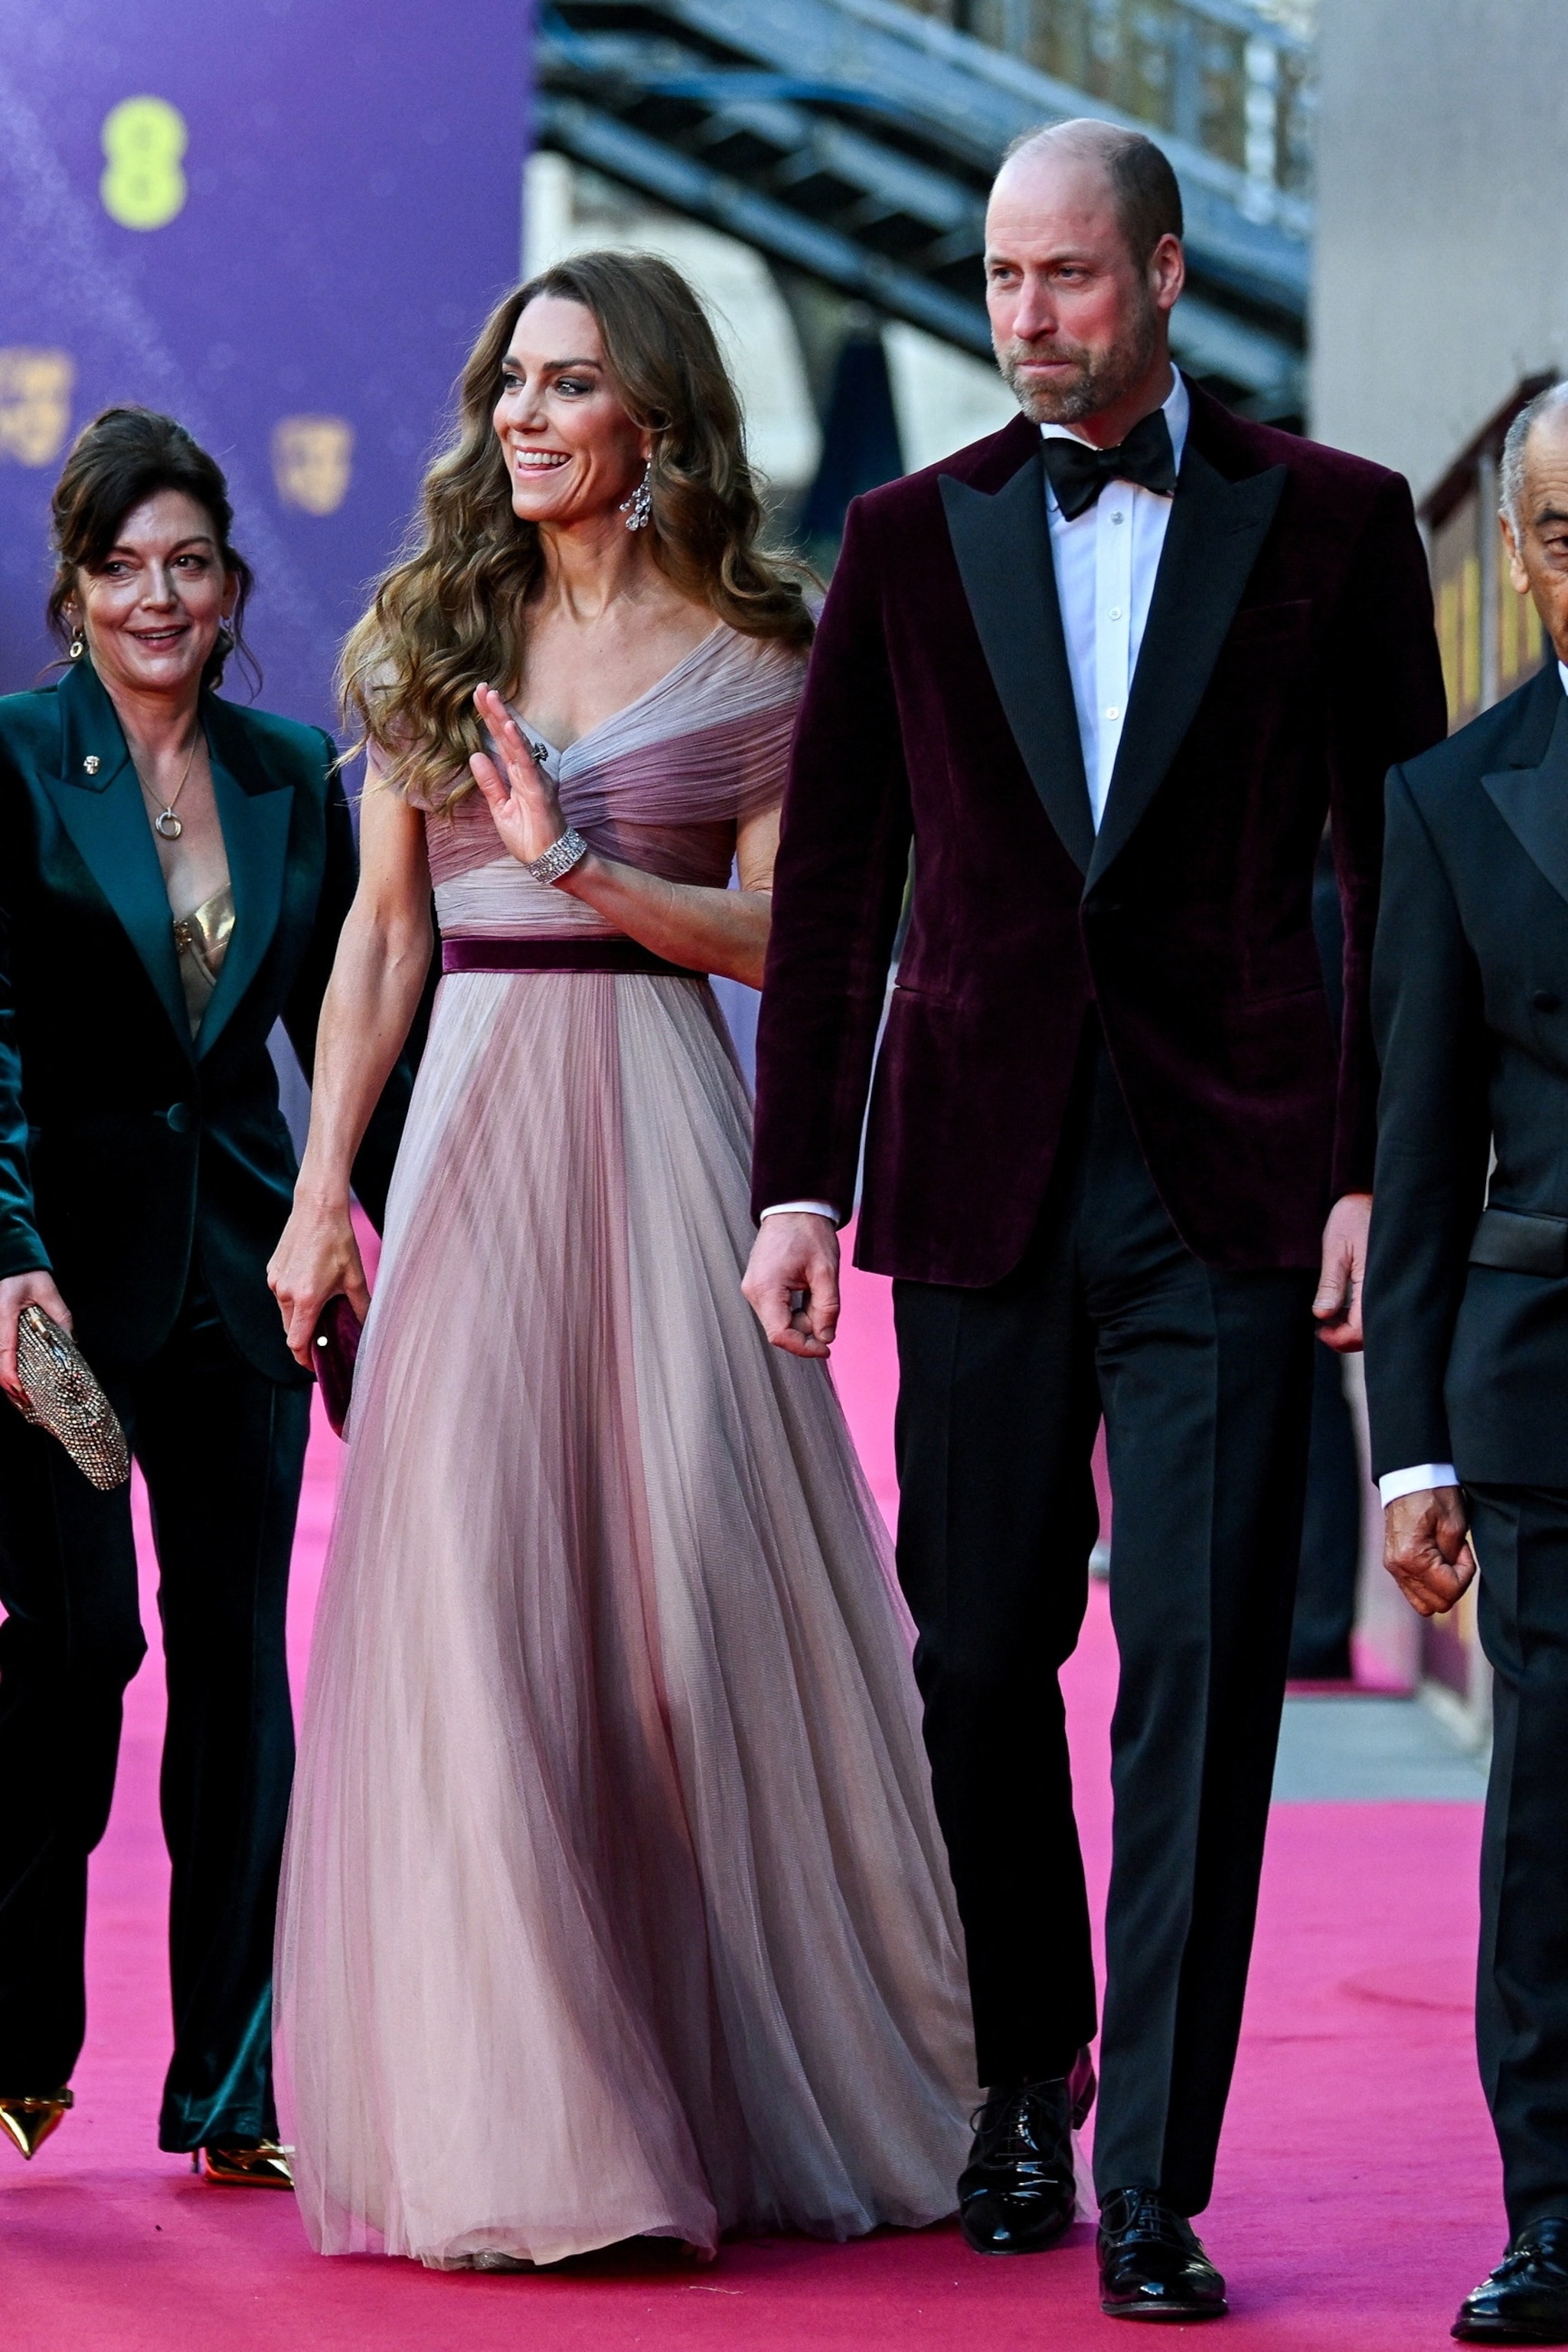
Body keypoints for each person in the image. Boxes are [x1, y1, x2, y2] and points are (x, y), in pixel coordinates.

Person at [743, 119, 1446, 2323]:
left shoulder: (1333, 526)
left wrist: (1365, 1170)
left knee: (1206, 1678)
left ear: (1157, 273)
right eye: (996, 280)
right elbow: (839, 883)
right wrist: (796, 1178)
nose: (1024, 317)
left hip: (1233, 1181)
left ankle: (1152, 2170)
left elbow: (1393, 877)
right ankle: (1021, 2079)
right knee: (974, 1659)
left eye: (1063, 277)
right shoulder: (902, 536)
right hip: (973, 1177)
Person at [267, 250, 976, 2271]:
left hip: (667, 1127)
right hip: (475, 1126)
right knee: (482, 1632)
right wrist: (327, 1190)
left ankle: (760, 2073)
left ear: (654, 420)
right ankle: (547, 2141)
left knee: (677, 1632)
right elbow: (386, 942)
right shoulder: (434, 633)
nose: (522, 415)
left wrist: (588, 864)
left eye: (567, 384)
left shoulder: (768, 662)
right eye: (509, 381)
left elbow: (799, 944)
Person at [0, 407, 408, 2184]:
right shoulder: (11, 761)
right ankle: (16, 2029)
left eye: (190, 565)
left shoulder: (287, 769)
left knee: (246, 1677)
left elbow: (349, 1030)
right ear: (73, 590)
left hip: (243, 1279)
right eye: (122, 567)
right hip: (54, 1303)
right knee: (81, 1648)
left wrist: (390, 1229)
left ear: (234, 584)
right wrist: (8, 1255)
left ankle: (230, 2086)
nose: (158, 598)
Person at [1365, 379, 1568, 2347]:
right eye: (1566, 532)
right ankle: (1557, 2217)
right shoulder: (1451, 799)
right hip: (1544, 1392)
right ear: (1518, 558)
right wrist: (1403, 1444)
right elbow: (1415, 1156)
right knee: (1557, 1818)